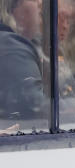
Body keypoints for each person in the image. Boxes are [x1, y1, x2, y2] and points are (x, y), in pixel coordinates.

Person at [0, 0, 46, 132]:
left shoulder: (33, 44)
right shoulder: (12, 48)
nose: (40, 2)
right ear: (13, 8)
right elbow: (34, 107)